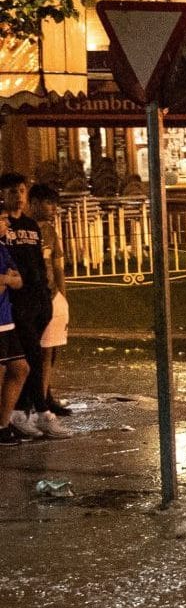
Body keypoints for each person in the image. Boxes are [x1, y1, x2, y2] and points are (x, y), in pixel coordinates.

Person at [29, 185, 71, 429]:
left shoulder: (50, 231)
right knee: (31, 352)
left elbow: (57, 266)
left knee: (50, 351)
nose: (53, 208)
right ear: (34, 202)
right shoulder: (23, 228)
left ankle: (45, 396)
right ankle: (34, 402)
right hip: (32, 298)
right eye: (48, 203)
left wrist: (63, 298)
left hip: (52, 296)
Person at [0, 211, 29, 448]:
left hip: (6, 319)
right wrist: (6, 279)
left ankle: (3, 424)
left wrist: (6, 280)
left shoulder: (2, 248)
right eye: (1, 219)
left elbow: (18, 281)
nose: (6, 223)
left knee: (20, 368)